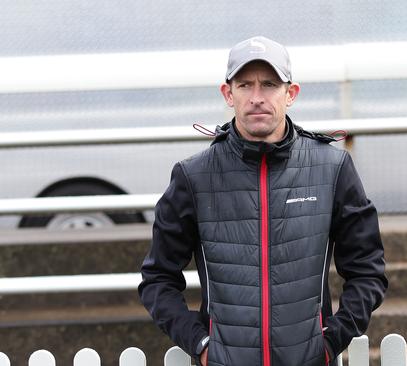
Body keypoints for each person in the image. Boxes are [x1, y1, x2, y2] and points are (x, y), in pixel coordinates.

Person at [138, 36, 388, 366]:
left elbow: (368, 272)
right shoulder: (193, 176)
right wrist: (200, 344)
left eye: (269, 84)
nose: (257, 97)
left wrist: (329, 342)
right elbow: (157, 280)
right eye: (245, 85)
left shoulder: (332, 168)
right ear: (228, 93)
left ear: (291, 93)